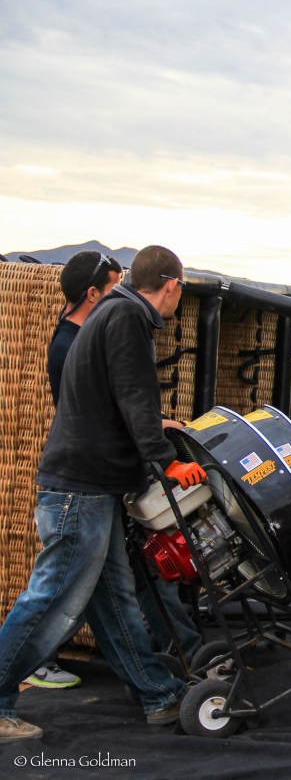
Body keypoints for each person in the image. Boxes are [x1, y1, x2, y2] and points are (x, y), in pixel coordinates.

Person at [0, 245, 204, 743]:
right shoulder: (130, 317)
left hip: (90, 486)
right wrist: (166, 460)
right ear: (172, 284)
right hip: (80, 490)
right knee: (51, 600)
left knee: (113, 599)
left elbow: (116, 399)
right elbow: (136, 395)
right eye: (180, 289)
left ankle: (158, 694)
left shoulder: (112, 313)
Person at [23, 252, 124, 690]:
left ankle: (150, 679)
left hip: (89, 479)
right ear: (92, 293)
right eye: (113, 290)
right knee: (56, 589)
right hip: (76, 482)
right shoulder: (69, 346)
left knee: (103, 587)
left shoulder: (78, 337)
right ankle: (23, 665)